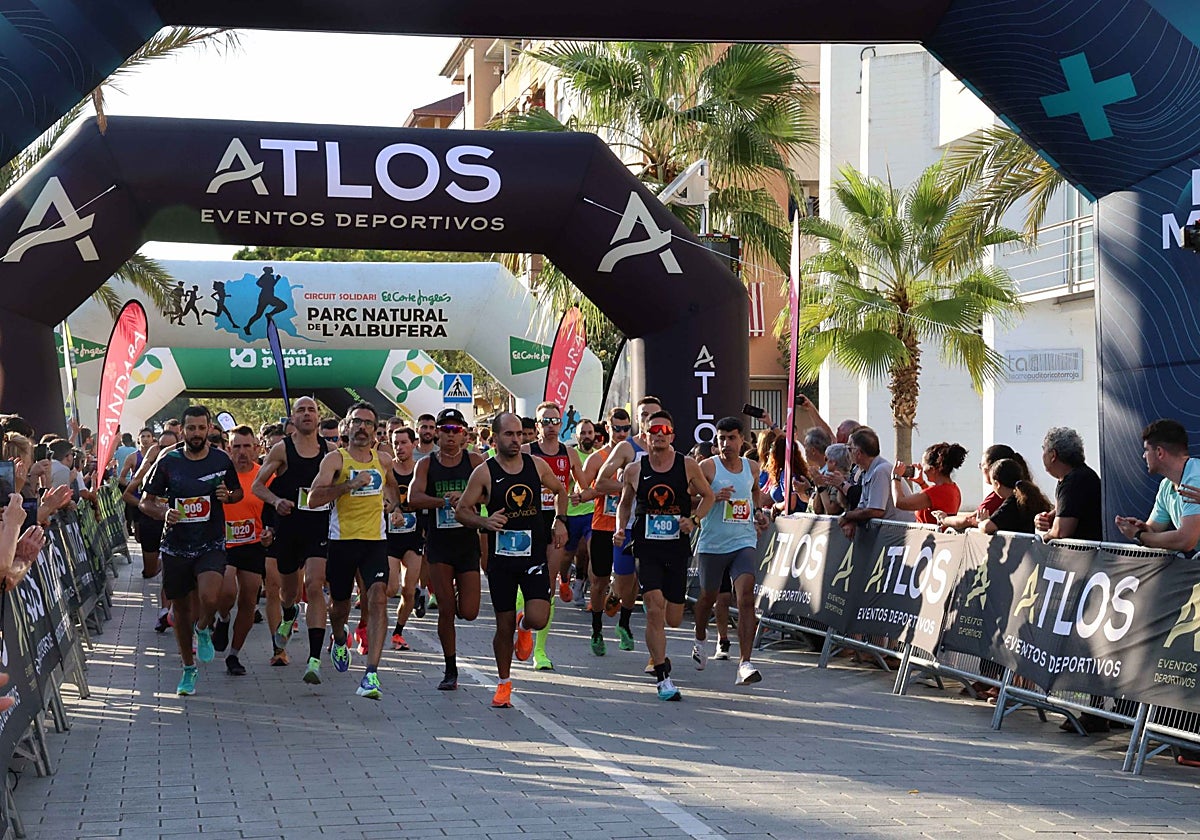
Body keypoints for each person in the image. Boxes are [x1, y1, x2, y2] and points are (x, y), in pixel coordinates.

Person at [455, 412, 566, 707]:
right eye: (509, 435)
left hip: (533, 555)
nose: (516, 440)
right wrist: (484, 522)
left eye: (519, 434)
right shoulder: (485, 472)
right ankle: (504, 683)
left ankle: (525, 626)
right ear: (495, 438)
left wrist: (561, 521)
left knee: (539, 617)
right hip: (501, 560)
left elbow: (560, 490)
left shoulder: (536, 465)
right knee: (502, 627)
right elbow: (462, 510)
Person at [139, 406, 241, 696]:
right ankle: (188, 668)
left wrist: (228, 496)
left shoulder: (222, 459)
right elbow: (146, 501)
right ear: (182, 430)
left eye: (201, 427)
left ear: (209, 428)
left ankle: (205, 627)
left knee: (211, 595)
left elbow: (236, 493)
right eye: (191, 428)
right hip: (176, 545)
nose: (196, 433)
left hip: (210, 542)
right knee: (181, 612)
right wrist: (163, 512)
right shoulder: (168, 460)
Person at [614, 410, 714, 701]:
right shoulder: (635, 469)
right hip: (646, 547)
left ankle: (661, 657)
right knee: (654, 608)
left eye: (664, 430)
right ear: (644, 436)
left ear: (672, 435)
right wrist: (621, 528)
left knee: (672, 617)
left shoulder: (687, 465)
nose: (658, 435)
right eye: (652, 430)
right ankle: (662, 676)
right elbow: (624, 503)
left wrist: (693, 521)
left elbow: (707, 496)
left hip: (676, 547)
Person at [307, 402, 400, 700]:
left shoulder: (384, 460)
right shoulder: (335, 460)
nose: (362, 428)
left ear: (376, 430)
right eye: (356, 423)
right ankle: (338, 637)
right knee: (340, 607)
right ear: (346, 427)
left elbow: (393, 487)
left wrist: (394, 507)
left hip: (375, 541)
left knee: (378, 598)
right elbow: (312, 499)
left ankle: (371, 674)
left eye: (368, 424)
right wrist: (348, 485)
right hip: (342, 542)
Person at [253, 396, 334, 672]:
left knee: (314, 585)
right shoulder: (282, 450)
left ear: (319, 417)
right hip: (289, 528)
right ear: (293, 419)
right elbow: (257, 486)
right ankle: (289, 613)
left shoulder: (330, 450)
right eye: (301, 410)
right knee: (289, 593)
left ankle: (314, 658)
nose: (307, 414)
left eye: (312, 409)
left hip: (319, 527)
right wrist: (276, 501)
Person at [407, 408, 485, 690]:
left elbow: (491, 491)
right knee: (446, 611)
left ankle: (455, 594)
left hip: (466, 543)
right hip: (439, 545)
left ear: (464, 433)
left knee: (471, 611)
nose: (450, 435)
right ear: (437, 433)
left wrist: (466, 499)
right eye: (445, 429)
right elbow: (413, 497)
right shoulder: (426, 464)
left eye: (456, 430)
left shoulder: (475, 461)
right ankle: (450, 668)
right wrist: (442, 502)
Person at [692, 417, 771, 684]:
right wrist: (712, 497)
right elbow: (689, 498)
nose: (726, 444)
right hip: (713, 544)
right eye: (721, 438)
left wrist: (759, 513)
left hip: (743, 541)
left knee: (746, 597)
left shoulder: (752, 467)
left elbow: (755, 492)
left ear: (742, 439)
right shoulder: (707, 467)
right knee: (708, 596)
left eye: (731, 438)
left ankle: (745, 663)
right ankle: (700, 638)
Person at [521, 401, 588, 671]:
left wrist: (584, 493)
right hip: (526, 521)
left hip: (557, 522)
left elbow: (584, 486)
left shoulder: (568, 454)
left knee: (547, 583)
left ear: (562, 424)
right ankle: (523, 623)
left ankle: (540, 650)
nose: (551, 426)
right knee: (523, 577)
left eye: (555, 421)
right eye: (545, 421)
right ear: (537, 426)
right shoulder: (526, 451)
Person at [595, 395, 664, 649]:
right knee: (627, 588)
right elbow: (601, 483)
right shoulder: (627, 448)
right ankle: (615, 591)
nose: (649, 420)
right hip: (628, 527)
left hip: (656, 531)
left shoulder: (669, 451)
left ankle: (654, 653)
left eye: (653, 415)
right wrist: (630, 487)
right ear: (637, 419)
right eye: (644, 415)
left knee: (653, 594)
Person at [575, 408, 635, 654]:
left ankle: (624, 625)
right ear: (607, 428)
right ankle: (597, 630)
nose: (621, 433)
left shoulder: (636, 453)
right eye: (616, 428)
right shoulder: (598, 458)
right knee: (598, 579)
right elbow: (586, 487)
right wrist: (617, 488)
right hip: (602, 525)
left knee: (631, 581)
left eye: (625, 428)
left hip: (630, 527)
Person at [212, 426, 271, 676]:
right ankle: (223, 619)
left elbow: (273, 507)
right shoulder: (219, 475)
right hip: (223, 543)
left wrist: (271, 530)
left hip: (253, 544)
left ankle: (234, 655)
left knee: (248, 601)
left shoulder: (265, 476)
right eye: (237, 446)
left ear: (257, 449)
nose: (242, 452)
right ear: (229, 449)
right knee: (226, 593)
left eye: (247, 446)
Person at [123, 427, 180, 629]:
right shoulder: (149, 467)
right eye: (162, 447)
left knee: (170, 565)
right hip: (151, 524)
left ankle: (167, 611)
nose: (165, 451)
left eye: (170, 446)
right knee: (150, 571)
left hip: (176, 526)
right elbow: (127, 494)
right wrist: (149, 506)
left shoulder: (186, 465)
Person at [1115, 419, 1200, 552]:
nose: (1144, 456)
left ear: (1159, 452)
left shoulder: (1196, 478)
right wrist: (1143, 529)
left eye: (1146, 450)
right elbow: (1154, 530)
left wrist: (1139, 536)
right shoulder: (1166, 485)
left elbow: (1186, 540)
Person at [386, 426, 423, 651]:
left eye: (403, 443)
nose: (399, 447)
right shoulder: (387, 469)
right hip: (390, 537)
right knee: (391, 589)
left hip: (414, 536)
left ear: (414, 444)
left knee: (408, 590)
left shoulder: (421, 470)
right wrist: (392, 510)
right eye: (395, 443)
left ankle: (398, 633)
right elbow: (382, 498)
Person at [1034, 427, 1103, 542]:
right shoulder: (1077, 476)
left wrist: (1040, 541)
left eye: (1043, 449)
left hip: (1083, 556)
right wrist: (1051, 517)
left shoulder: (1074, 481)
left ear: (1053, 455)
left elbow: (1061, 531)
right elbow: (1071, 509)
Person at [939, 444, 1029, 532]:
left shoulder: (1000, 495)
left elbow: (971, 519)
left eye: (981, 466)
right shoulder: (1024, 490)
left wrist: (944, 519)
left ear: (993, 469)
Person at [837, 427, 898, 540]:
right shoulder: (867, 471)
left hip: (897, 536)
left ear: (858, 453)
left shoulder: (880, 470)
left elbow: (876, 511)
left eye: (850, 449)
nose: (848, 453)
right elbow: (862, 507)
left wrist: (847, 516)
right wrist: (852, 521)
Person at [892, 442, 968, 525]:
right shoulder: (953, 488)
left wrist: (896, 476)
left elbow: (900, 502)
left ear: (933, 469)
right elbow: (933, 502)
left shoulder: (935, 492)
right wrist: (922, 483)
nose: (923, 469)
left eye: (924, 465)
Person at [977, 459, 1053, 535]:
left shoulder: (1011, 502)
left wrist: (981, 522)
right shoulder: (1031, 497)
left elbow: (987, 527)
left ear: (997, 484)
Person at [567, 419, 598, 607]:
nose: (587, 436)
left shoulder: (599, 456)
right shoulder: (571, 455)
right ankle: (569, 579)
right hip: (572, 512)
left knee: (592, 551)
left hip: (594, 512)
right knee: (573, 554)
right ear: (576, 436)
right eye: (583, 433)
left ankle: (594, 593)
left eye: (589, 432)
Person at [243, 266, 289, 335]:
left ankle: (270, 314)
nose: (272, 270)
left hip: (270, 296)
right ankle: (247, 327)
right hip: (264, 297)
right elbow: (258, 283)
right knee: (258, 315)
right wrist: (270, 283)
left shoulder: (270, 276)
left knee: (283, 306)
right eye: (271, 269)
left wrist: (276, 280)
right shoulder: (265, 276)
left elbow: (272, 285)